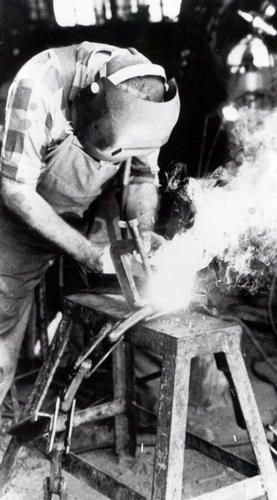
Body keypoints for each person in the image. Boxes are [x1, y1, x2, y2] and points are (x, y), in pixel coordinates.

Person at [0, 41, 180, 406]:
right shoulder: (39, 84)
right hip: (24, 208)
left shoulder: (147, 98)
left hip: (98, 202)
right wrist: (87, 252)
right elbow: (15, 190)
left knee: (128, 303)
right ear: (89, 102)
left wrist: (142, 234)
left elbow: (143, 175)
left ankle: (104, 389)